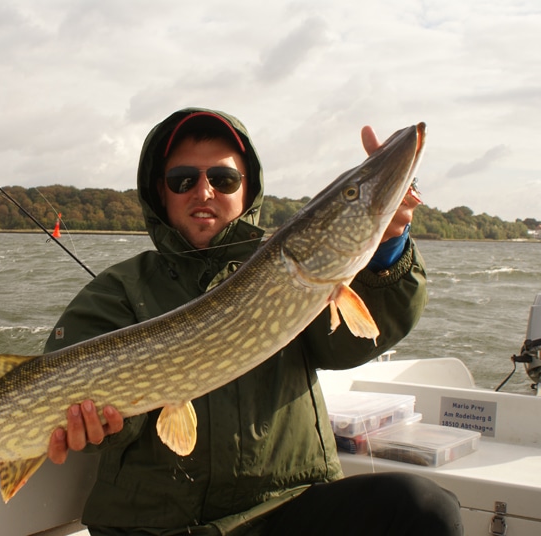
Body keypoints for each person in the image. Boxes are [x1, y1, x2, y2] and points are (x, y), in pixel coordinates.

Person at [43, 108, 462, 535]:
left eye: (223, 180)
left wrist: (389, 244)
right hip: (158, 526)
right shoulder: (118, 288)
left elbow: (352, 343)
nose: (203, 191)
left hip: (286, 509)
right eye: (183, 179)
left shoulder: (293, 272)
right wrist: (102, 425)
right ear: (161, 193)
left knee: (422, 509)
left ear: (248, 191)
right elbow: (73, 393)